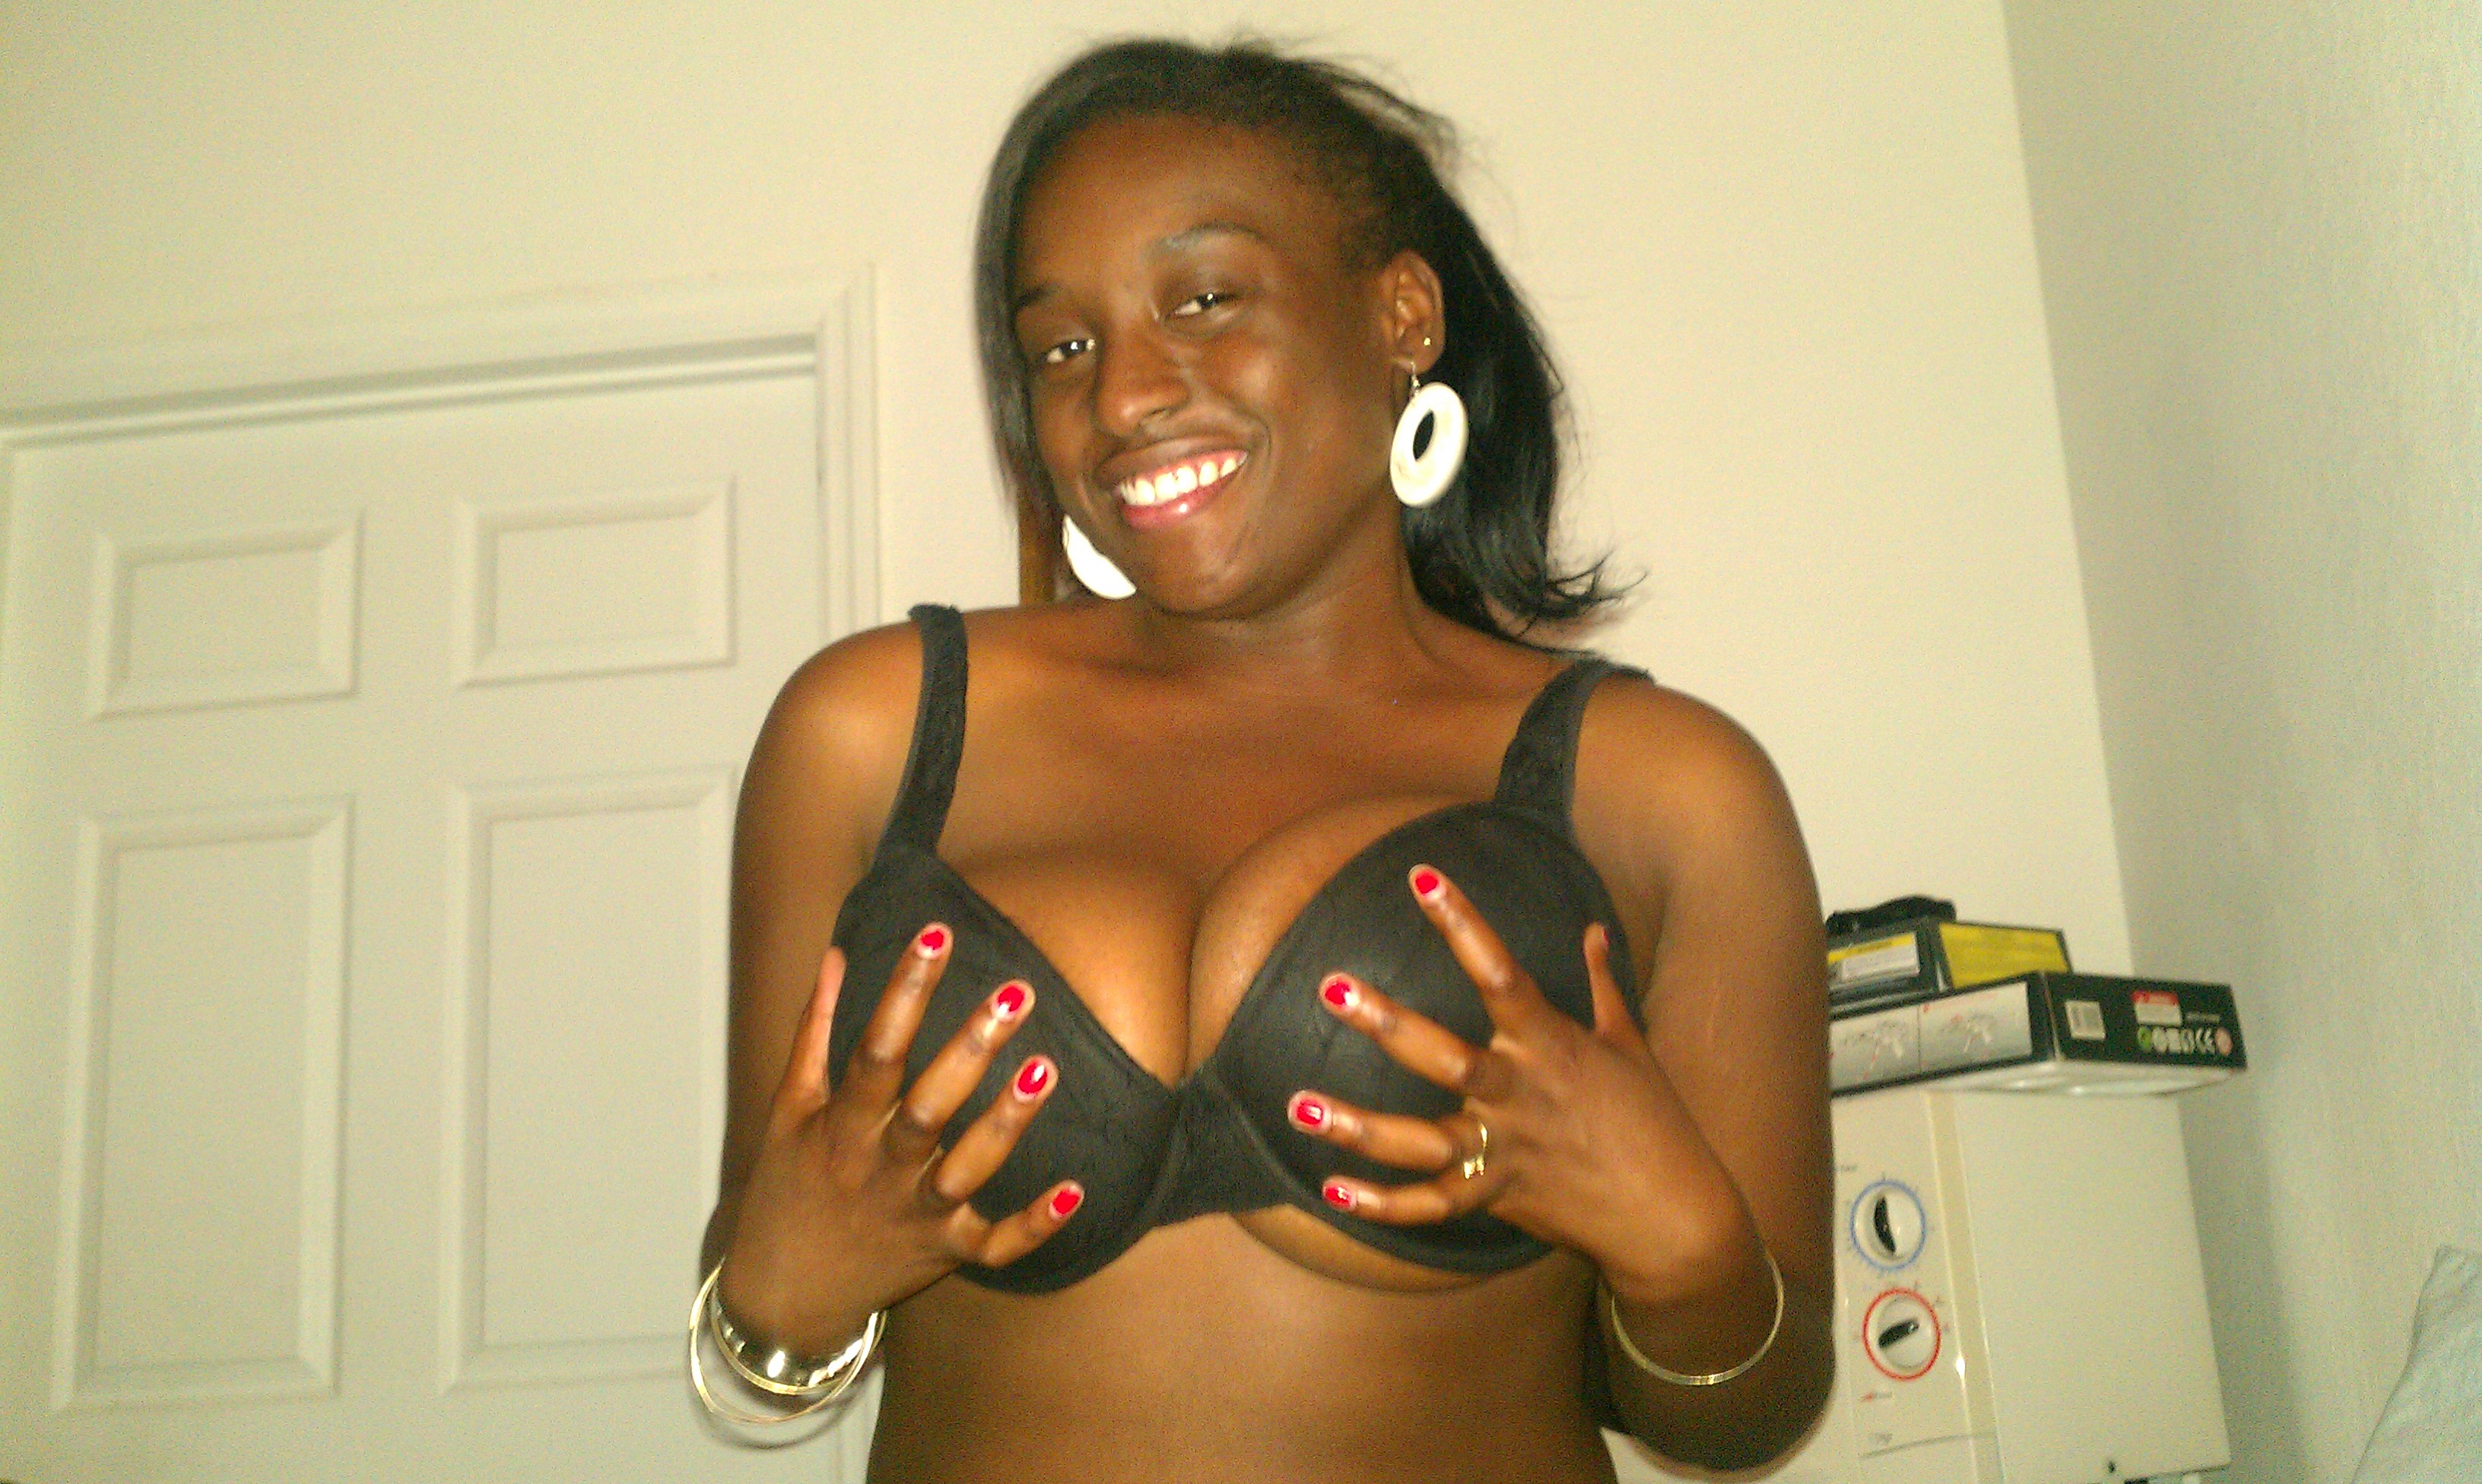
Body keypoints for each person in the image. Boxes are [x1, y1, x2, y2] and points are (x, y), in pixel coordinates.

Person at [692, 38, 1832, 1482]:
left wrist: (1684, 1246)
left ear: (1401, 313)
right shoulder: (875, 732)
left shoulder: (1665, 789)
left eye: (1205, 300)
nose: (1121, 398)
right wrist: (778, 1303)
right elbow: (759, 1291)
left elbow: (1749, 1413)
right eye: (1062, 347)